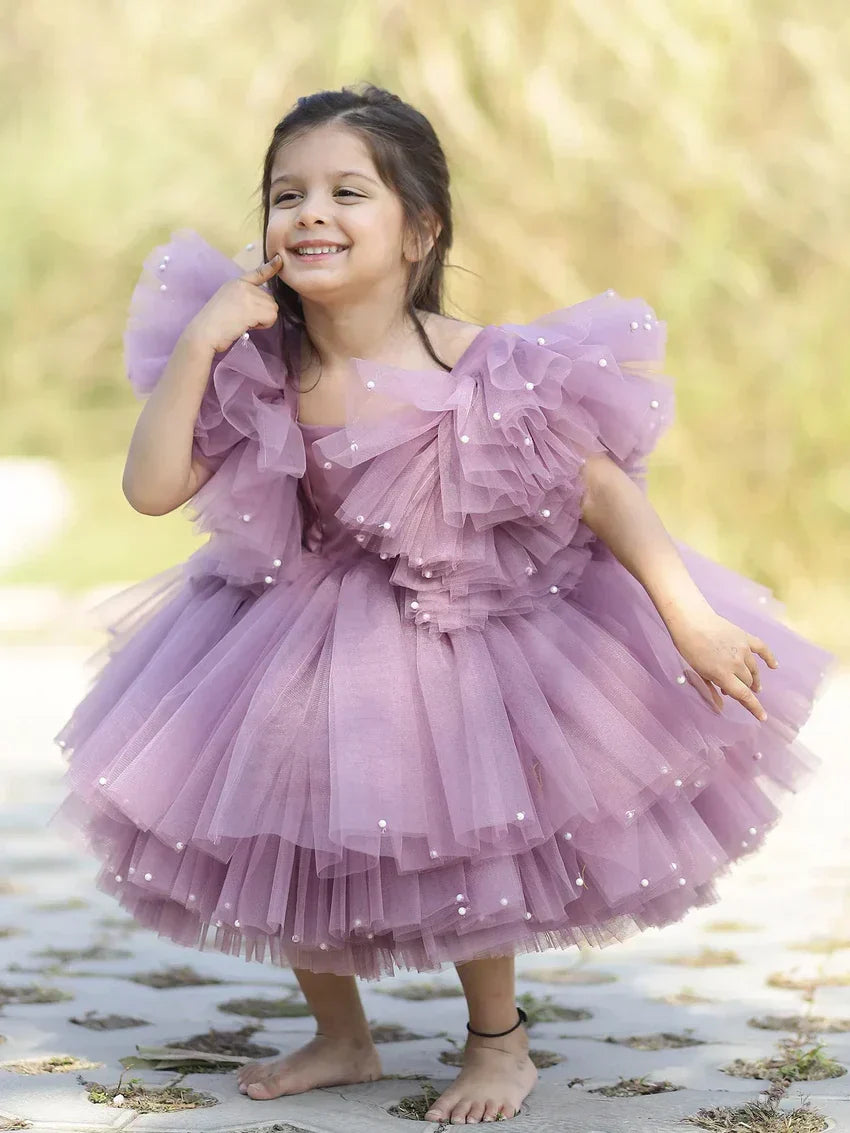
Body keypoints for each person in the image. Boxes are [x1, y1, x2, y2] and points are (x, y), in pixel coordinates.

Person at [49, 83, 836, 1124]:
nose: (310, 213)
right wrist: (199, 341)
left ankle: (498, 1041)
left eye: (346, 191)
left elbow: (601, 488)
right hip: (292, 624)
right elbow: (151, 489)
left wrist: (686, 611)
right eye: (287, 194)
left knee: (475, 823)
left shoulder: (483, 366)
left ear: (418, 229)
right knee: (280, 820)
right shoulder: (256, 365)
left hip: (458, 624)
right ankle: (342, 1032)